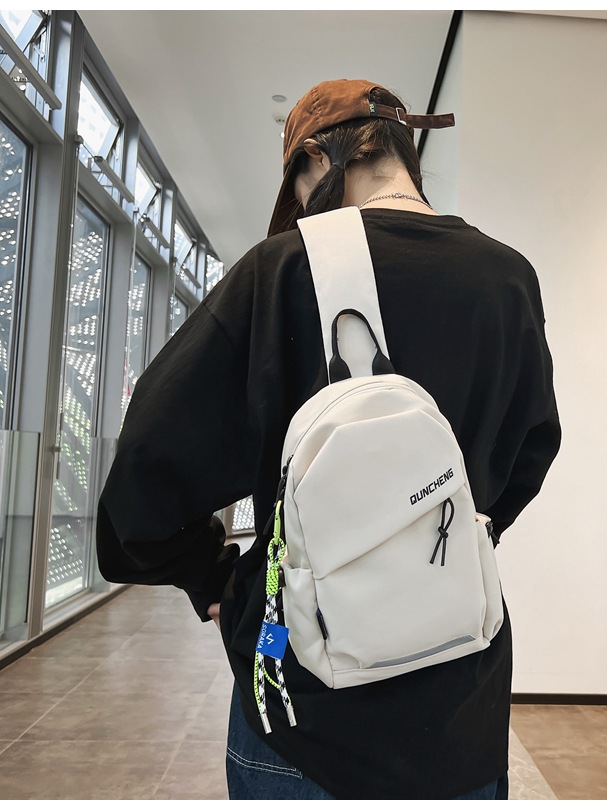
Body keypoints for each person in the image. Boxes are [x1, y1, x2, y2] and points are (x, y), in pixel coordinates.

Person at [96, 78, 561, 800]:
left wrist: (211, 577)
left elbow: (144, 477)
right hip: (459, 699)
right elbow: (532, 449)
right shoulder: (509, 278)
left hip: (300, 706)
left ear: (318, 157)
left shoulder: (282, 268)